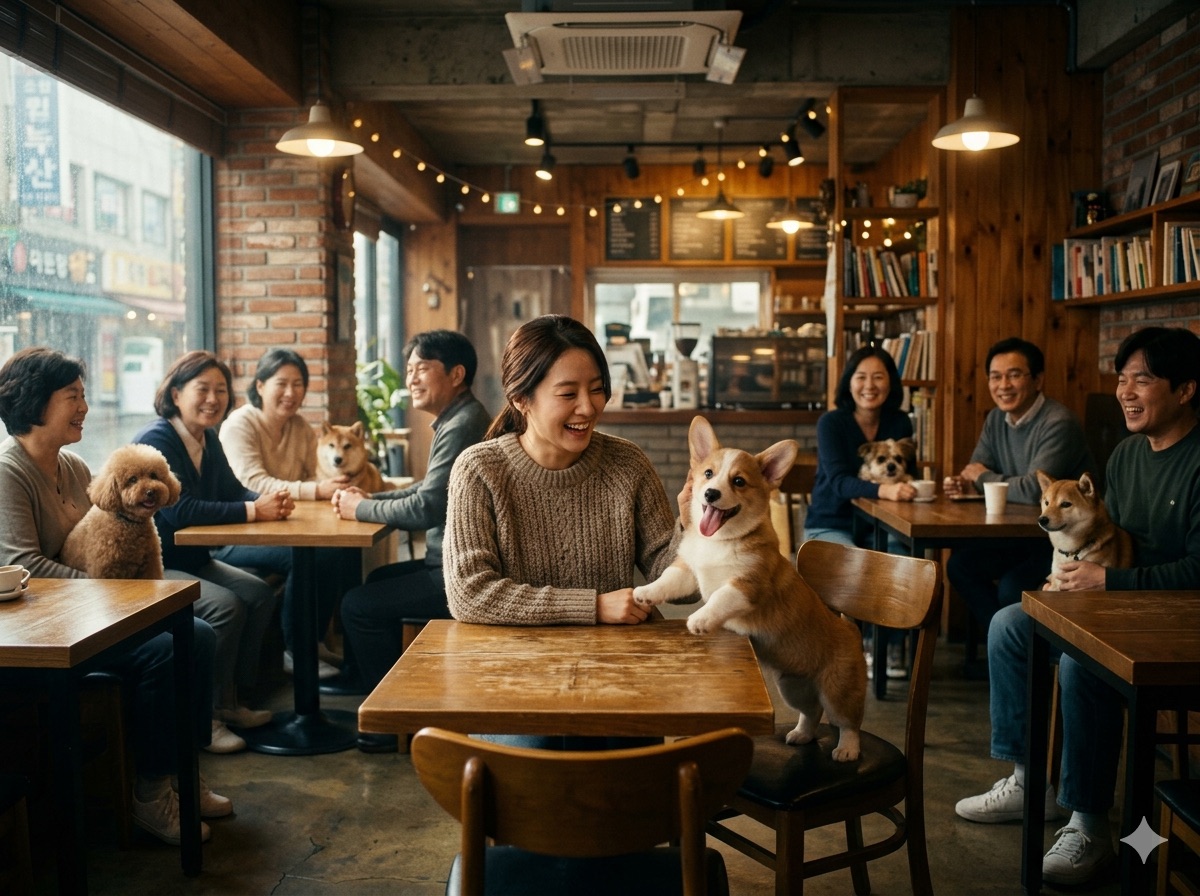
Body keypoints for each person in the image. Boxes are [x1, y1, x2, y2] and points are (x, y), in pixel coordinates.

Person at [955, 326, 1200, 888]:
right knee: (1010, 623)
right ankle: (1027, 778)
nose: (1126, 391)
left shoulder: (1196, 462)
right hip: (1116, 596)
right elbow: (1102, 532)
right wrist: (1075, 567)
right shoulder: (1126, 455)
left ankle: (1088, 821)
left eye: (1143, 378)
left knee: (1079, 660)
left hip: (1173, 613)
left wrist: (1109, 581)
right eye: (1122, 379)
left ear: (1186, 390)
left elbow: (1198, 572)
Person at [0, 347, 228, 845]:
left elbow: (114, 525)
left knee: (200, 634)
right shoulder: (8, 473)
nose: (84, 406)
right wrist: (115, 593)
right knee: (167, 650)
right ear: (36, 403)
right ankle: (149, 795)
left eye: (82, 396)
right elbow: (27, 567)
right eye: (73, 397)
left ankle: (181, 773)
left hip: (95, 615)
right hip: (46, 633)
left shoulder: (75, 466)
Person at [443, 315, 679, 749]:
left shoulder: (627, 464)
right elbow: (469, 593)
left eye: (596, 388)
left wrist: (702, 534)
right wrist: (593, 607)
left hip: (619, 676)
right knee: (541, 770)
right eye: (568, 393)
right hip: (514, 679)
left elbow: (676, 579)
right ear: (521, 399)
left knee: (635, 785)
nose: (588, 407)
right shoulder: (479, 470)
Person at [327, 331, 490, 752]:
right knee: (374, 579)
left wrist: (359, 510)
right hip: (447, 562)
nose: (411, 380)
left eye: (422, 369)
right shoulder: (460, 417)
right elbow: (427, 489)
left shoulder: (463, 423)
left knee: (357, 607)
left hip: (457, 574)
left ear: (456, 374)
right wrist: (370, 498)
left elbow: (427, 508)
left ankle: (391, 721)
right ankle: (364, 684)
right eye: (410, 370)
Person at [133, 350, 292, 754]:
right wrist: (256, 510)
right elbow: (177, 511)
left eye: (220, 390)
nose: (213, 399)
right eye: (202, 389)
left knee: (257, 595)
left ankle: (230, 701)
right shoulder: (158, 439)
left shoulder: (207, 439)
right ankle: (207, 719)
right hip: (156, 568)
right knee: (225, 607)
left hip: (196, 560)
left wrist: (269, 499)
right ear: (175, 393)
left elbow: (233, 491)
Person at [943, 337, 1094, 647]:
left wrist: (982, 477)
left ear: (1037, 379)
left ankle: (1021, 659)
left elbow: (1031, 490)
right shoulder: (997, 418)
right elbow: (975, 469)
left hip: (1063, 541)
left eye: (1014, 375)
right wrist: (969, 480)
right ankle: (1007, 653)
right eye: (995, 376)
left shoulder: (1058, 423)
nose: (1003, 385)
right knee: (960, 566)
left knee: (1012, 587)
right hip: (1017, 536)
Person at [218, 348, 348, 680]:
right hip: (232, 535)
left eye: (298, 384)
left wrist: (331, 487)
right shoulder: (239, 424)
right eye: (282, 383)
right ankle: (295, 651)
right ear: (260, 385)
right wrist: (317, 490)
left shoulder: (300, 427)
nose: (291, 393)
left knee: (336, 551)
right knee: (306, 556)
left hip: (280, 525)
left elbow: (312, 475)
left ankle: (314, 641)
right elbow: (254, 482)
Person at [803, 345, 918, 678]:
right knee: (855, 563)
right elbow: (839, 482)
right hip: (830, 520)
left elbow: (907, 470)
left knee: (901, 560)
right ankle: (854, 646)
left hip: (881, 523)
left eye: (878, 377)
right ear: (848, 383)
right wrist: (885, 489)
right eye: (861, 377)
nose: (870, 385)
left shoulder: (899, 421)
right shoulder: (831, 423)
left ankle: (889, 646)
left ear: (891, 384)